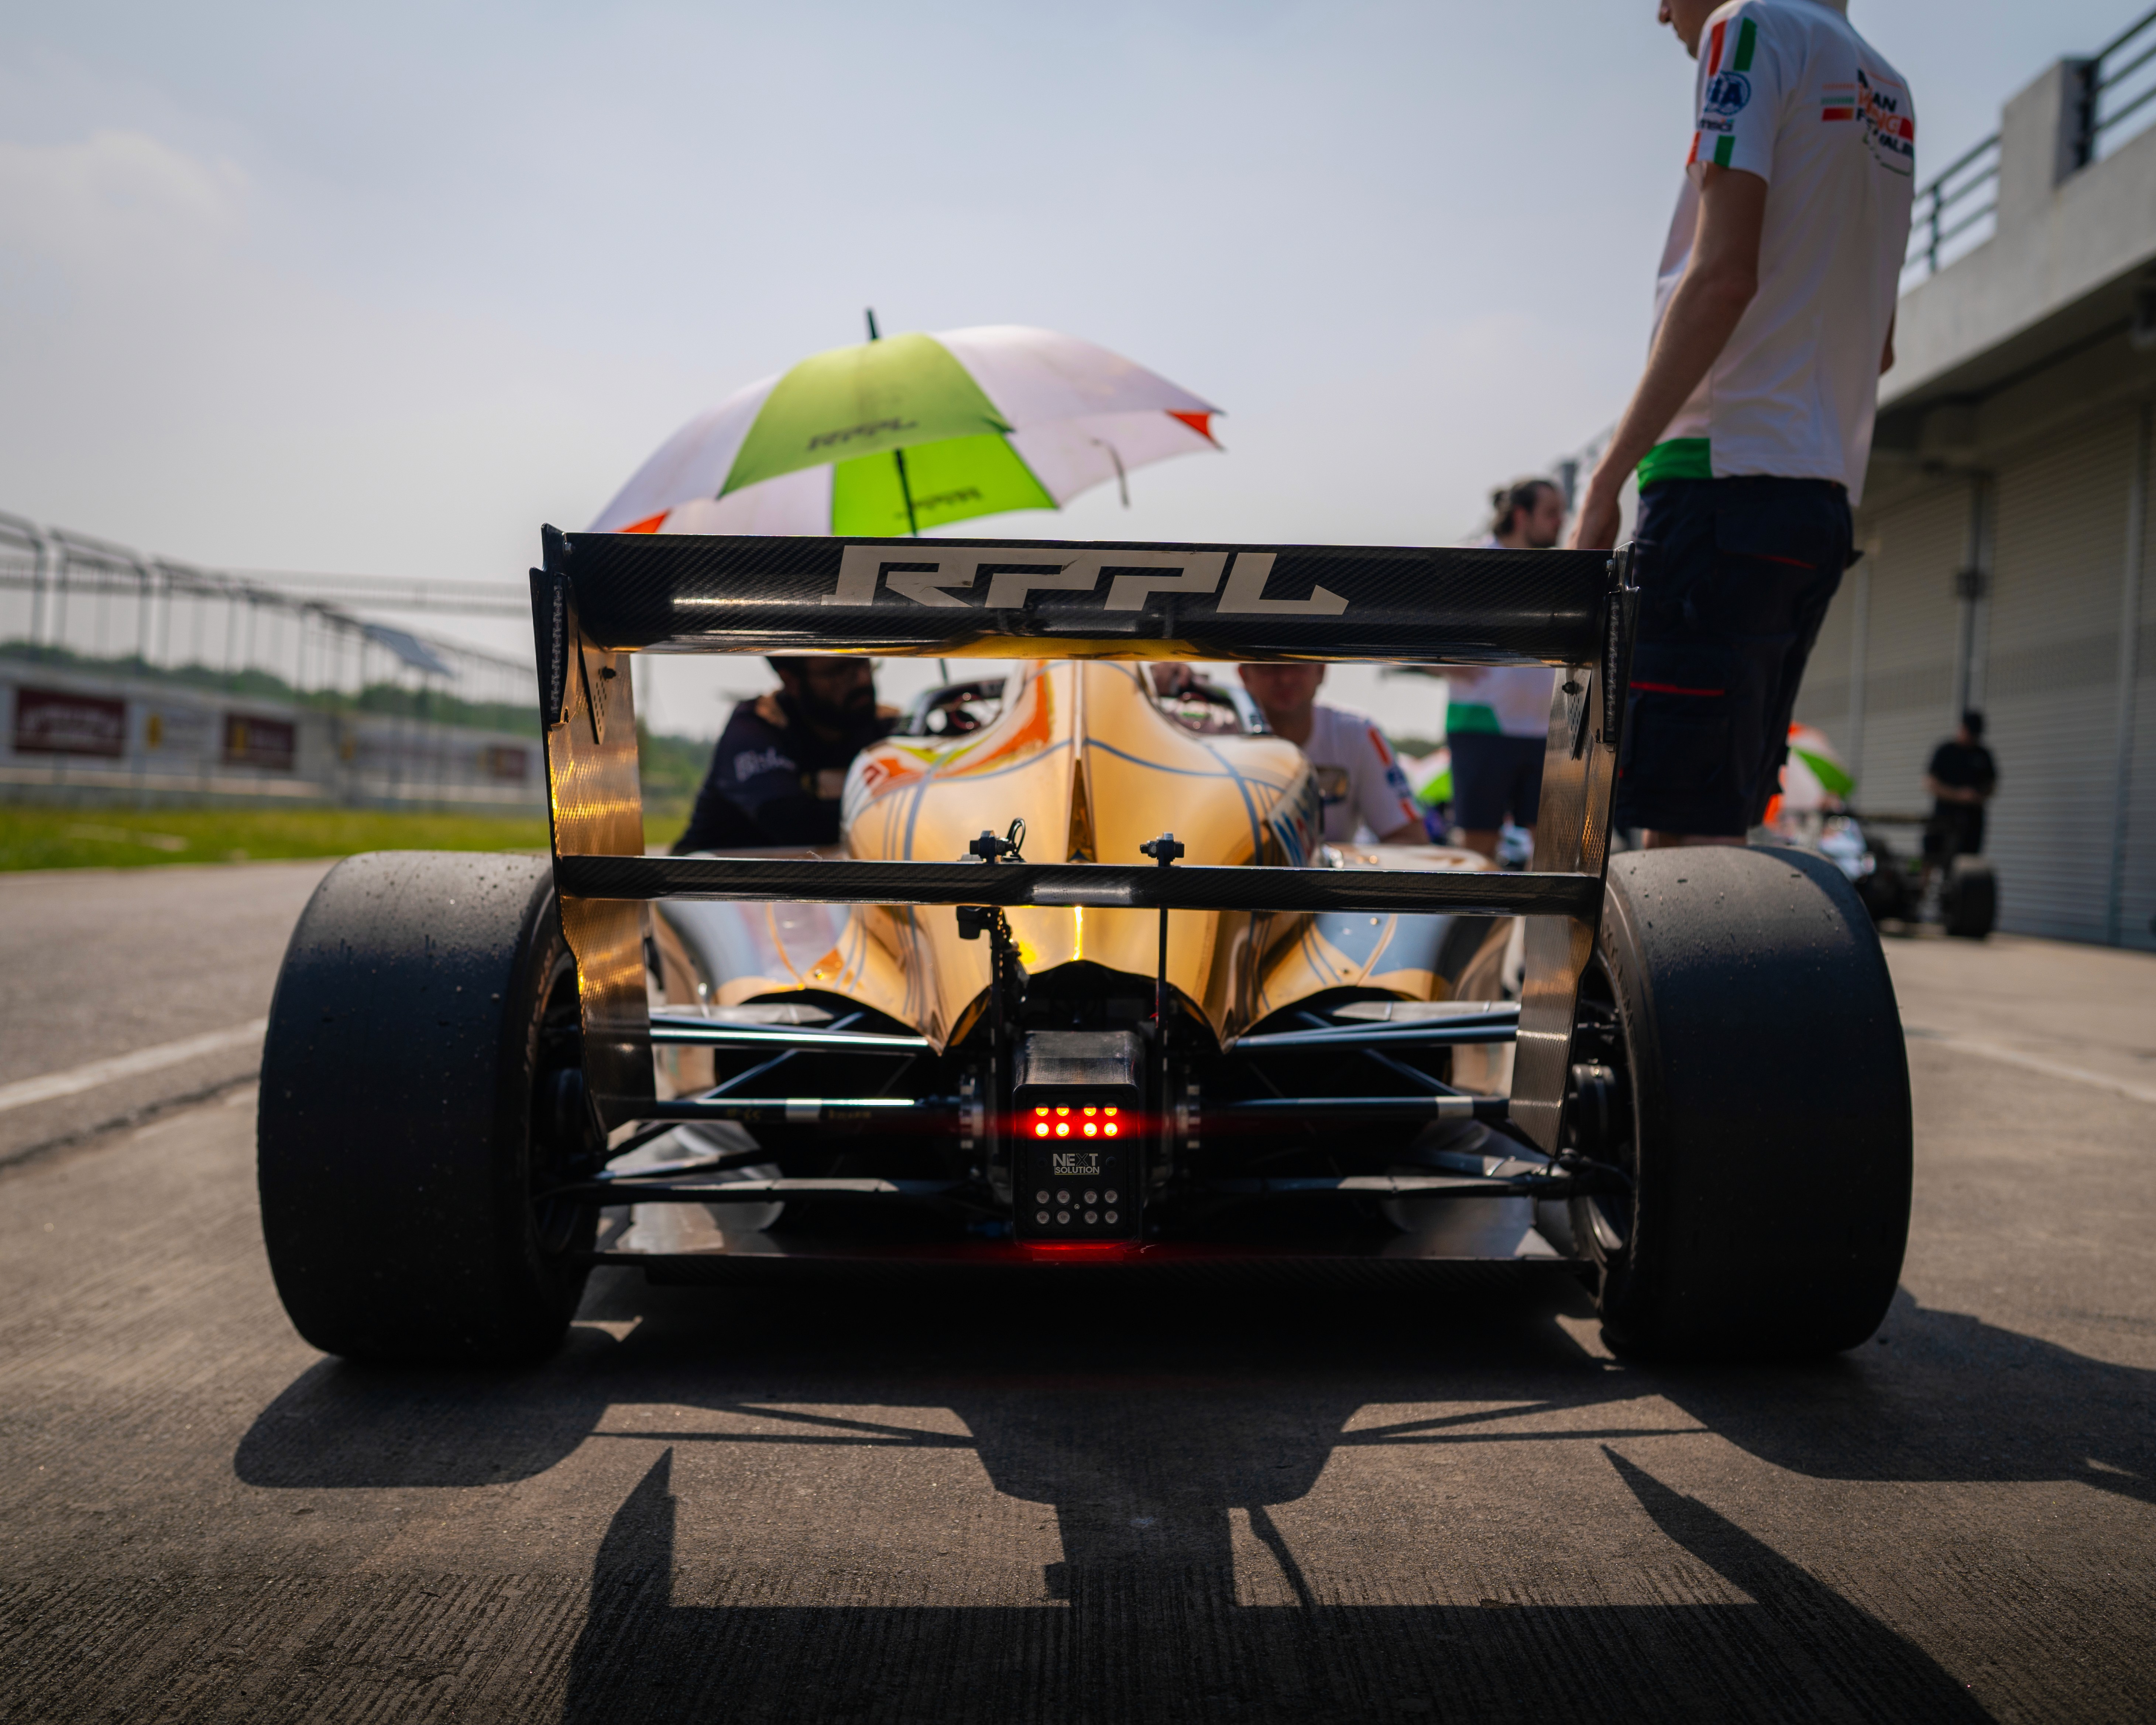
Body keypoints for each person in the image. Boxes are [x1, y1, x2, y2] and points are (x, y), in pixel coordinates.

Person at [1570, 0, 1914, 851]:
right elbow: (1878, 347)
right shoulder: (1892, 90)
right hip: (1817, 501)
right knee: (1719, 833)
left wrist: (1607, 479)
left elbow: (1722, 278)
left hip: (1716, 485)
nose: (1660, 13)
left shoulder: (1749, 27)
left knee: (1677, 853)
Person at [1448, 477, 1565, 860]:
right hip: (1481, 726)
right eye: (1550, 514)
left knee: (1552, 849)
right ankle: (1475, 923)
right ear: (1520, 515)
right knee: (1479, 850)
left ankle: (1540, 924)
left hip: (1546, 730)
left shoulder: (1560, 568)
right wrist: (1442, 663)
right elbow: (1412, 635)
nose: (1559, 523)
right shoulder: (1473, 562)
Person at [673, 657, 897, 853]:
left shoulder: (890, 728)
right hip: (715, 886)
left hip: (823, 888)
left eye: (864, 662)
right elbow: (793, 825)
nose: (862, 680)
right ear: (792, 682)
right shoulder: (757, 727)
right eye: (839, 672)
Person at [1237, 663, 1428, 845]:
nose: (1285, 678)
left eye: (1298, 663)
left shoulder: (1358, 735)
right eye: (1269, 666)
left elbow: (1410, 839)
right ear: (1244, 675)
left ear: (1321, 671)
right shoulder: (1217, 737)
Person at [1922, 709, 1996, 886]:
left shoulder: (1983, 755)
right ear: (1962, 729)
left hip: (1971, 822)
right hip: (1944, 818)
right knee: (1930, 859)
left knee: (1967, 864)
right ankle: (1923, 900)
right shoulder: (1946, 751)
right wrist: (1958, 796)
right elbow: (1930, 783)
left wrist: (1978, 796)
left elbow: (1992, 784)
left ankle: (1958, 902)